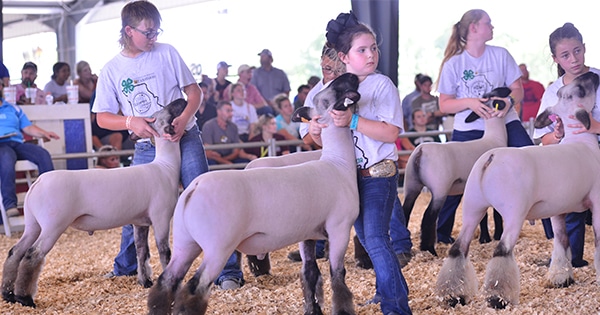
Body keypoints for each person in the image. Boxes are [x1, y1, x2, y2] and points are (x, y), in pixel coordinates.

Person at [91, 0, 217, 286]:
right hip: (147, 146)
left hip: (184, 138)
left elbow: (193, 92)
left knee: (204, 196)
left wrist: (185, 118)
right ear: (128, 30)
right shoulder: (112, 69)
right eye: (148, 32)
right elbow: (102, 117)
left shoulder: (167, 53)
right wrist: (129, 122)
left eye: (156, 31)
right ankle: (126, 268)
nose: (153, 37)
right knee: (130, 205)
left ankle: (225, 270)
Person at [307, 12, 411, 314]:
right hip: (348, 180)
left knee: (376, 239)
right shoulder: (334, 88)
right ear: (344, 56)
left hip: (378, 174)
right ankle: (390, 294)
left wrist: (353, 119)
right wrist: (316, 130)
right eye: (362, 50)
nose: (371, 55)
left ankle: (396, 308)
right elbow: (321, 139)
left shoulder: (382, 86)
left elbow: (391, 132)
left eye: (373, 48)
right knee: (369, 240)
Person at [435, 9, 533, 245]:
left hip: (505, 122)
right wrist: (470, 103)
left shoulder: (500, 55)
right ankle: (440, 235)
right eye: (488, 23)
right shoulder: (453, 63)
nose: (492, 27)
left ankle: (551, 231)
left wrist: (509, 102)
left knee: (532, 159)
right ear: (474, 28)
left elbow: (517, 90)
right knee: (454, 179)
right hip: (469, 128)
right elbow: (444, 104)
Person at [533, 23, 598, 268]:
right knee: (569, 208)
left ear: (584, 48)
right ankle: (571, 261)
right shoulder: (553, 92)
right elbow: (544, 137)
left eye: (578, 51)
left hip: (597, 151)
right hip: (571, 159)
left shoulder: (599, 79)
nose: (574, 59)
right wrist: (557, 135)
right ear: (555, 59)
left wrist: (595, 126)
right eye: (565, 55)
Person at [0, 97, 59, 220]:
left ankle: (50, 199)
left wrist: (45, 133)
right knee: (6, 158)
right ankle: (10, 205)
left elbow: (28, 127)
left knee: (43, 155)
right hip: (1, 146)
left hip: (16, 142)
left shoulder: (12, 108)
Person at [202, 100, 256, 165]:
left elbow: (236, 151)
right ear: (219, 112)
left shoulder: (233, 127)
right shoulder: (208, 126)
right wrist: (226, 163)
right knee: (210, 163)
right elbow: (208, 153)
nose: (231, 114)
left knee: (244, 162)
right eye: (228, 111)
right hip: (214, 159)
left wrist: (226, 160)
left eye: (231, 111)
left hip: (229, 157)